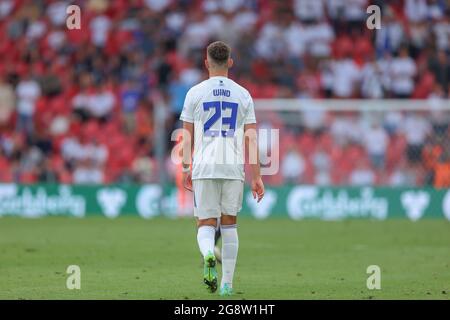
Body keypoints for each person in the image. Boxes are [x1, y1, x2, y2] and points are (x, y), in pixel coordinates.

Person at [180, 41, 264, 296]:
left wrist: (186, 167)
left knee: (205, 222)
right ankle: (227, 285)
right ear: (230, 62)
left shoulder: (194, 93)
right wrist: (257, 176)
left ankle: (208, 254)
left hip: (204, 165)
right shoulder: (243, 94)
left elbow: (186, 135)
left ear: (206, 63)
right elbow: (251, 138)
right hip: (232, 167)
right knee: (229, 226)